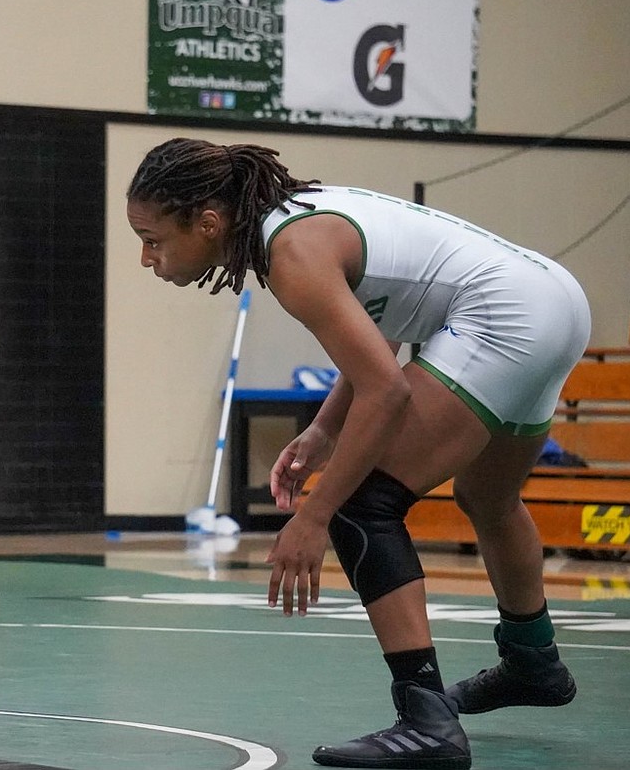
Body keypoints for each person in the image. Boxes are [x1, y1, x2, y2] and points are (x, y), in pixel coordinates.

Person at [126, 138, 585, 770]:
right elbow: (389, 326)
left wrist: (312, 517)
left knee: (360, 505)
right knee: (489, 497)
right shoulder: (302, 213)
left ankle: (426, 719)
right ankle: (533, 661)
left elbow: (387, 389)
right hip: (553, 298)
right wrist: (322, 431)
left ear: (208, 224)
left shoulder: (289, 255)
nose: (147, 257)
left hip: (506, 315)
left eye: (153, 239)